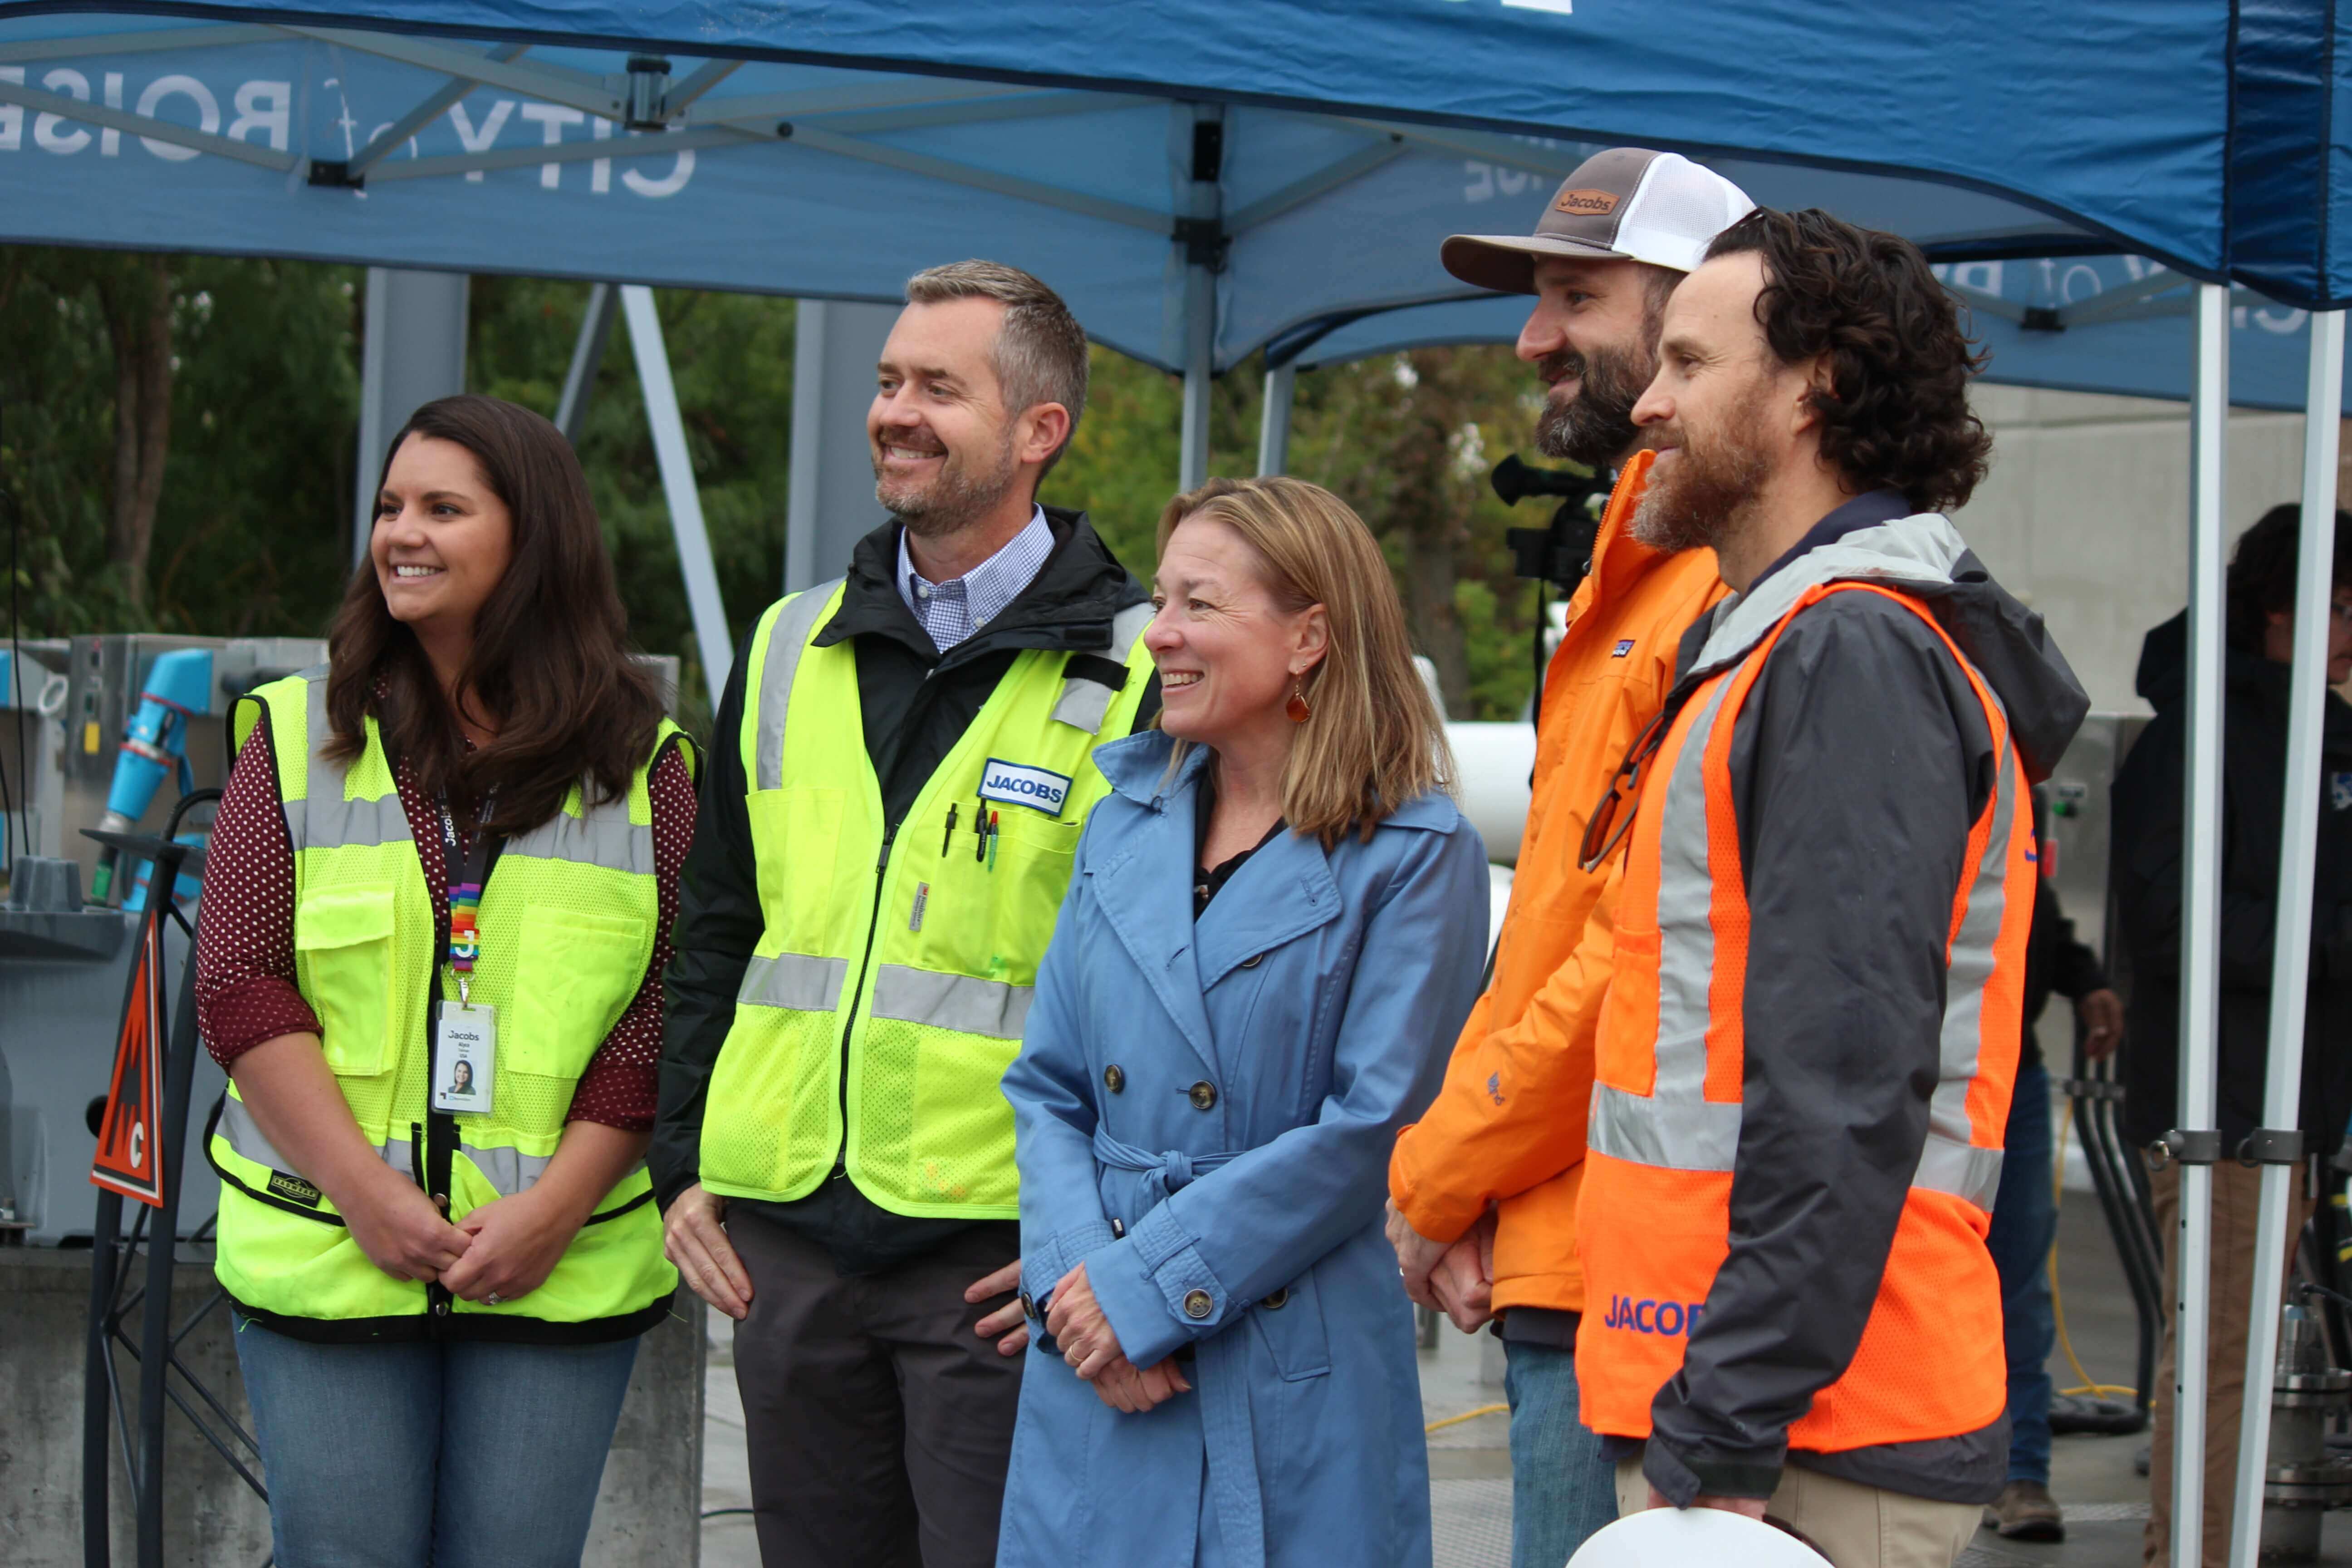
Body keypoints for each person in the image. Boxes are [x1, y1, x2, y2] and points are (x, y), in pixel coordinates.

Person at [1575, 207, 2087, 1568]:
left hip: (1796, 1444)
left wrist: (1728, 1425)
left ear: (1817, 388)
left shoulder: (1847, 654)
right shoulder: (1792, 645)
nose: (1649, 399)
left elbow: (1848, 1084)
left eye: (1688, 362)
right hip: (1766, 1417)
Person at [653, 260, 1160, 1568]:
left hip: (998, 1272)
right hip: (790, 1249)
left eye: (940, 387)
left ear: (1040, 431)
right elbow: (717, 927)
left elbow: (1179, 992)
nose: (895, 411)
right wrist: (682, 1164)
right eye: (888, 381)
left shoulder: (1142, 669)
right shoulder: (785, 646)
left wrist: (1112, 1239)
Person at [195, 393, 698, 1566]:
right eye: (389, 507)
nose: (400, 534)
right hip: (329, 1241)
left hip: (553, 1262)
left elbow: (663, 1012)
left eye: (442, 508)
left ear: (534, 539)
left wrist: (556, 1208)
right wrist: (363, 1193)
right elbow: (242, 982)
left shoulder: (648, 765)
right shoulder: (295, 730)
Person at [995, 475, 1490, 1567]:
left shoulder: (1415, 854)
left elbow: (1376, 1129)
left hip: (1288, 1359)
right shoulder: (1123, 819)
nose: (1160, 633)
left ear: (1310, 635)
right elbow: (1050, 1088)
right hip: (1101, 1365)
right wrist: (1084, 1295)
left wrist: (1147, 1290)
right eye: (1163, 601)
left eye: (1200, 606)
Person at [1385, 146, 1751, 1567]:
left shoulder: (1722, 588)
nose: (1535, 337)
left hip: (1652, 1289)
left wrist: (1436, 1179)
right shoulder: (1630, 574)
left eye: (1574, 296)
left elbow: (1628, 952)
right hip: (1571, 1251)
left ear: (1701, 316)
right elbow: (1550, 926)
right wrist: (1483, 1188)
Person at [2112, 502, 2352, 1567]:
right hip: (2226, 1111)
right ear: (2273, 608)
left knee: (2240, 1367)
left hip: (2297, 1102)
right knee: (2220, 1364)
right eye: (2338, 603)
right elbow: (2173, 918)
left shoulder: (2319, 732)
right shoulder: (2202, 733)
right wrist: (2333, 941)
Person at [1982, 876, 2124, 1541]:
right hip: (1917, 1064)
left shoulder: (2015, 786)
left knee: (2019, 1283)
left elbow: (2034, 909)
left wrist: (2083, 976)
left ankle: (2020, 1473)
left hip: (2015, 1070)